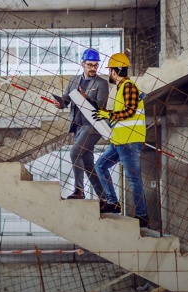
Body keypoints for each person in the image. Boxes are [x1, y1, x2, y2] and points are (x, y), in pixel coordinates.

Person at [92, 53, 149, 228]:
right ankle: (113, 203)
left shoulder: (128, 86)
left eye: (110, 70)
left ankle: (142, 216)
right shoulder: (120, 88)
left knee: (133, 179)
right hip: (119, 141)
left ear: (116, 71)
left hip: (130, 141)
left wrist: (108, 114)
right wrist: (106, 116)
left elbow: (130, 111)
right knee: (100, 166)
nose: (109, 73)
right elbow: (120, 115)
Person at [54, 48, 109, 205]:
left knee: (75, 152)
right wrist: (60, 104)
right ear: (82, 64)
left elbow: (101, 107)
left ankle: (79, 190)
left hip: (92, 126)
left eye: (95, 65)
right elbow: (66, 100)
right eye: (90, 65)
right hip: (77, 127)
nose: (93, 68)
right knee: (88, 164)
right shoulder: (73, 80)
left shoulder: (102, 83)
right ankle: (105, 198)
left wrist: (86, 98)